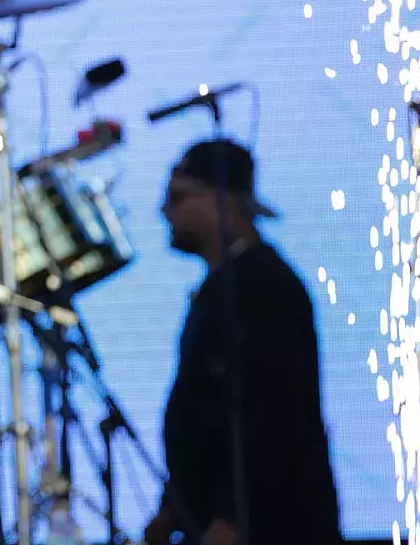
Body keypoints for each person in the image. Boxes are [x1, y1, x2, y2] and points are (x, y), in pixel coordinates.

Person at [143, 139, 342, 545]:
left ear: (223, 201)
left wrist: (232, 517)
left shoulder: (263, 287)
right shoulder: (222, 288)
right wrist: (172, 509)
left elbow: (274, 413)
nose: (165, 212)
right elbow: (204, 411)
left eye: (178, 197)